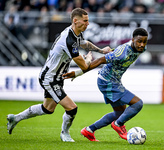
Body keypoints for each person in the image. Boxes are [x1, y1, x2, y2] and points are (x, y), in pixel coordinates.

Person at [6, 8, 111, 142]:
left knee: (47, 109)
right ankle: (65, 134)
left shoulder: (75, 33)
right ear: (75, 21)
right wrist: (89, 59)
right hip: (50, 78)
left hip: (56, 77)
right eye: (85, 21)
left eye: (88, 21)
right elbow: (84, 66)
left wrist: (101, 50)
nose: (88, 24)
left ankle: (15, 118)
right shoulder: (69, 40)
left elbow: (84, 43)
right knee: (72, 108)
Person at [62, 28, 148, 141]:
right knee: (138, 104)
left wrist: (111, 50)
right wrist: (78, 73)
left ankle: (89, 130)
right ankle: (118, 125)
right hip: (107, 82)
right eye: (139, 41)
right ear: (132, 40)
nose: (142, 45)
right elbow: (99, 61)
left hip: (114, 81)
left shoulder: (141, 48)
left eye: (144, 42)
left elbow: (115, 51)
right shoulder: (122, 52)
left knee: (119, 112)